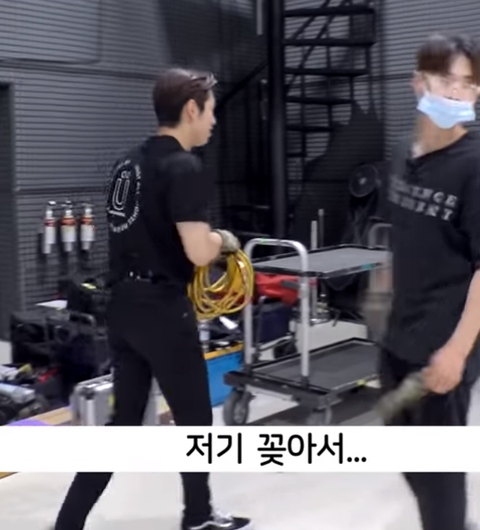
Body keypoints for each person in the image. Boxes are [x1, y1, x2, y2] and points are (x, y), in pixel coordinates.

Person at [53, 68, 252, 530]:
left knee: (123, 424)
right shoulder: (184, 166)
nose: (214, 121)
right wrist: (224, 240)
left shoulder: (127, 163)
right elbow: (198, 251)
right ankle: (198, 517)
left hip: (122, 305)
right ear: (191, 110)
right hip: (162, 308)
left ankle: (68, 523)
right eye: (211, 111)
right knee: (195, 420)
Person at [380, 33, 480, 530]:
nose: (458, 92)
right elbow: (403, 237)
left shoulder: (475, 165)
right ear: (419, 83)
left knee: (440, 478)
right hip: (398, 336)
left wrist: (458, 352)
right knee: (407, 456)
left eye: (469, 83)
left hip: (446, 346)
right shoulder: (402, 152)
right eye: (446, 80)